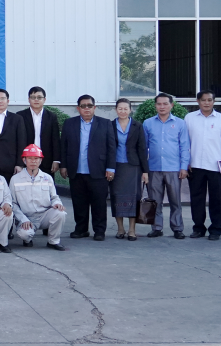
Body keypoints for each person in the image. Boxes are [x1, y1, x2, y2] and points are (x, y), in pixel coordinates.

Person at [60, 94, 116, 241]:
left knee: (99, 203)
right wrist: (63, 165)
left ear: (94, 107)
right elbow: (63, 146)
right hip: (76, 170)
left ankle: (99, 231)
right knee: (79, 202)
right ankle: (81, 229)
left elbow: (111, 148)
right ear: (78, 108)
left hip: (98, 170)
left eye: (89, 106)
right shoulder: (69, 123)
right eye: (83, 106)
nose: (86, 108)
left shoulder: (105, 123)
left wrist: (111, 168)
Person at [184, 91, 221, 240]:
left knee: (216, 200)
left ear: (214, 101)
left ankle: (216, 229)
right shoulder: (189, 118)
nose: (206, 103)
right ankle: (198, 228)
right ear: (198, 101)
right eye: (203, 100)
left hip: (216, 166)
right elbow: (185, 142)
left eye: (209, 100)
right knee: (197, 199)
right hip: (195, 166)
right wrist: (185, 162)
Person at [142, 93, 190, 239]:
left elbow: (184, 146)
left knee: (175, 201)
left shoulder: (180, 123)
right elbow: (143, 147)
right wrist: (144, 169)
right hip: (154, 168)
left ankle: (177, 228)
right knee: (154, 200)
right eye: (159, 104)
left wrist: (184, 167)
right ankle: (156, 228)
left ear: (171, 105)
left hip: (174, 168)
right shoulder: (148, 123)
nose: (162, 106)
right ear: (155, 106)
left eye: (165, 104)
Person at [10, 145, 68, 250]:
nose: (33, 161)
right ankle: (27, 239)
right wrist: (22, 219)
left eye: (36, 158)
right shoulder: (15, 179)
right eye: (30, 158)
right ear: (24, 160)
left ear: (40, 160)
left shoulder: (47, 178)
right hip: (26, 216)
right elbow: (12, 203)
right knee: (25, 234)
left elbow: (54, 197)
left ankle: (53, 241)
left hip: (44, 215)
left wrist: (57, 204)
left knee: (61, 213)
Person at [110, 99, 148, 241]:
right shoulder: (110, 125)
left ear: (130, 110)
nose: (123, 111)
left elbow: (142, 148)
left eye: (126, 108)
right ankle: (120, 228)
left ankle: (132, 230)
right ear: (116, 110)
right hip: (115, 167)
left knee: (134, 197)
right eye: (120, 108)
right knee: (116, 197)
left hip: (133, 166)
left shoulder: (137, 126)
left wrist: (145, 171)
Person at [17, 87, 61, 174]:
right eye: (33, 97)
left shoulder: (51, 117)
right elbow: (17, 140)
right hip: (25, 159)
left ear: (44, 99)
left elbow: (55, 139)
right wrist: (18, 162)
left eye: (39, 97)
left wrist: (56, 160)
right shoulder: (20, 116)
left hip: (46, 160)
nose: (36, 100)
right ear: (29, 99)